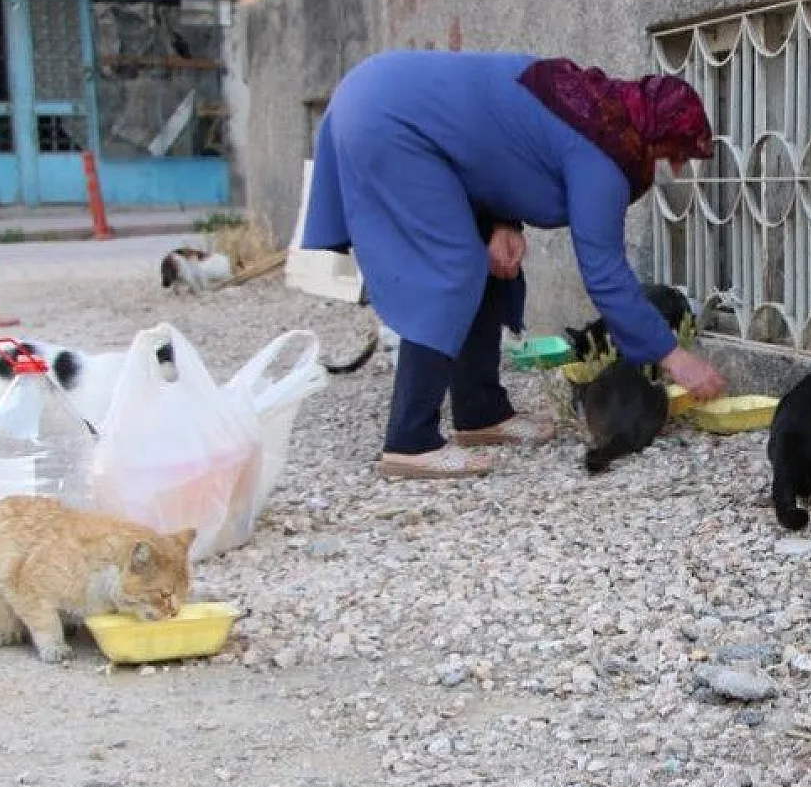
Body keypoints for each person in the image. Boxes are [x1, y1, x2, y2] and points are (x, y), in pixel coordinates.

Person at [302, 50, 728, 479]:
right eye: (676, 151)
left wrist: (500, 222)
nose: (676, 169)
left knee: (493, 262)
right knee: (451, 268)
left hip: (380, 96)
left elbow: (491, 144)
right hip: (389, 119)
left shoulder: (590, 108)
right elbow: (604, 271)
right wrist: (674, 357)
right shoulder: (603, 150)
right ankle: (410, 441)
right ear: (653, 130)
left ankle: (480, 412)